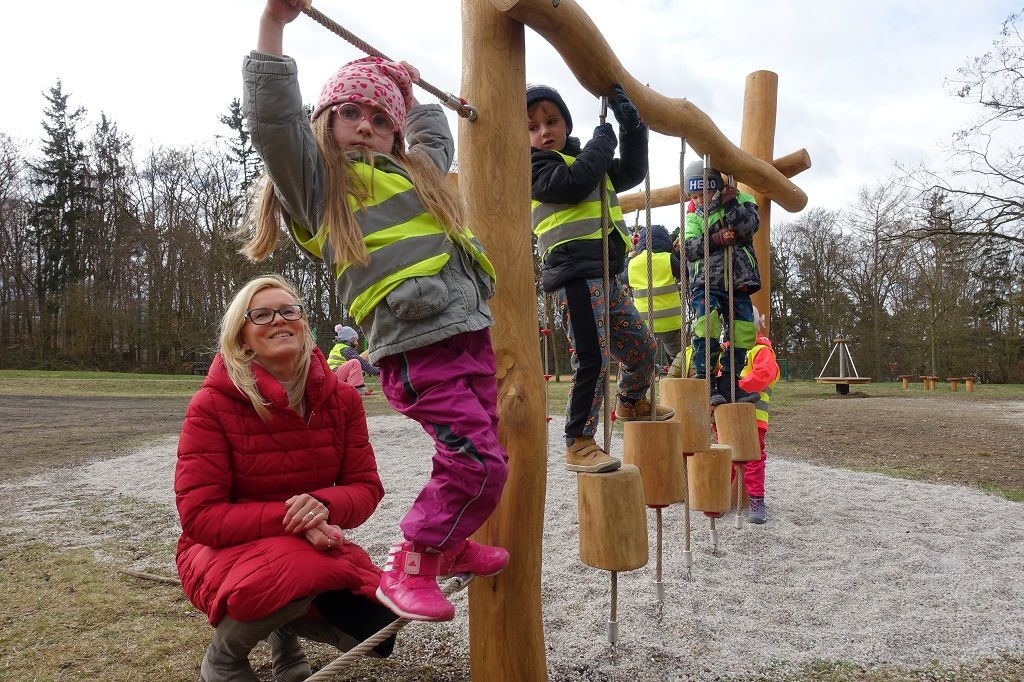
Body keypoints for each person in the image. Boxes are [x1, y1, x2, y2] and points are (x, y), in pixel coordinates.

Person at [240, 0, 509, 623]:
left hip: (468, 336)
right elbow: (273, 122)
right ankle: (412, 557)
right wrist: (274, 27)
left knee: (484, 450)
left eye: (379, 119)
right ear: (324, 124)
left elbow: (435, 141)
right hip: (416, 342)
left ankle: (451, 544)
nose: (365, 126)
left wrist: (410, 96)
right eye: (349, 113)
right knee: (478, 460)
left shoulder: (416, 177)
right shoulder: (320, 187)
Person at [175, 275, 399, 682]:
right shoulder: (210, 405)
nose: (278, 319)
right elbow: (200, 516)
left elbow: (366, 487)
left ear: (303, 322)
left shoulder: (343, 400)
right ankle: (224, 658)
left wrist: (324, 505)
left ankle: (284, 635)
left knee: (376, 627)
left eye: (288, 310)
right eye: (261, 314)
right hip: (222, 544)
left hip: (305, 542)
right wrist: (297, 519)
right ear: (241, 336)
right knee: (295, 574)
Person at [527, 83, 674, 474]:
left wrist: (631, 128)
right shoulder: (535, 166)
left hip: (607, 276)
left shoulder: (587, 160)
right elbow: (572, 186)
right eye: (532, 127)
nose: (543, 132)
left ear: (565, 123)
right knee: (591, 357)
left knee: (642, 346)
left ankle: (630, 399)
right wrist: (602, 142)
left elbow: (631, 170)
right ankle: (578, 440)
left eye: (551, 121)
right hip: (573, 275)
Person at [682, 161, 761, 406]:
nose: (699, 200)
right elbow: (688, 249)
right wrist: (715, 238)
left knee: (744, 329)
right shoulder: (694, 216)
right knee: (708, 325)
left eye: (702, 193)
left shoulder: (741, 201)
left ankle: (730, 380)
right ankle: (707, 380)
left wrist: (730, 203)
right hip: (707, 281)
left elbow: (748, 227)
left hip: (739, 279)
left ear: (716, 187)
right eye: (694, 195)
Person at [735, 306, 780, 523]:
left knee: (754, 458)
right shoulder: (728, 351)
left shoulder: (761, 351)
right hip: (729, 417)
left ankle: (756, 499)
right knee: (726, 458)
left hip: (754, 417)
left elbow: (763, 375)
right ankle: (722, 496)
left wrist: (737, 386)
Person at [626, 224, 684, 368]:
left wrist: (628, 258)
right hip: (670, 322)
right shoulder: (668, 259)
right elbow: (684, 272)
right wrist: (678, 253)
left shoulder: (633, 264)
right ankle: (675, 372)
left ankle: (645, 373)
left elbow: (623, 278)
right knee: (678, 356)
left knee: (642, 355)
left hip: (643, 323)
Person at [328, 324, 378, 395]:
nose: (357, 343)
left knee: (356, 367)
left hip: (334, 375)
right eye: (355, 340)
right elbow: (361, 362)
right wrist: (375, 372)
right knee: (355, 362)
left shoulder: (339, 347)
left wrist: (367, 370)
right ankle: (356, 390)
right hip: (335, 375)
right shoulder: (346, 349)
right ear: (349, 340)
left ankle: (348, 390)